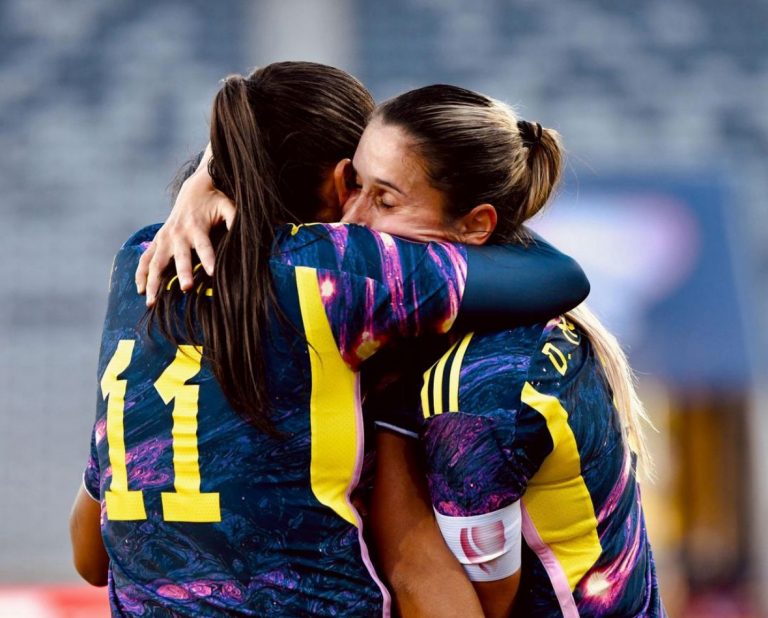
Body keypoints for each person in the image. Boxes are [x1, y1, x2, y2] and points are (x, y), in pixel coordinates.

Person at [69, 62, 590, 617]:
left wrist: (207, 173)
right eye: (367, 189)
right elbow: (562, 277)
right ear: (344, 180)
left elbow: (88, 555)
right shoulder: (334, 268)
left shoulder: (138, 260)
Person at [345, 85, 665, 617]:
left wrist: (393, 421)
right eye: (354, 184)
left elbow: (473, 604)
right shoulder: (517, 324)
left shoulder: (479, 381)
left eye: (385, 199)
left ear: (475, 225)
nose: (350, 220)